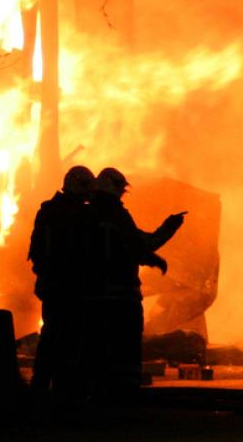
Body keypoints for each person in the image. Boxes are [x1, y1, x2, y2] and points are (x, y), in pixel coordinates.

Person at [87, 166, 184, 400]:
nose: (122, 195)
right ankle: (124, 396)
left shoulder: (83, 217)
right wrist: (169, 228)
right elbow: (141, 246)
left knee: (96, 347)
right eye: (121, 190)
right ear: (114, 190)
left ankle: (96, 393)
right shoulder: (118, 216)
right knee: (125, 348)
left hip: (90, 298)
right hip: (122, 298)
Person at [27, 166, 95, 396]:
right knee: (69, 338)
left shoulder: (48, 211)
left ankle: (42, 384)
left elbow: (36, 251)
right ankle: (62, 389)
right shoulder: (79, 215)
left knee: (53, 334)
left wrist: (44, 275)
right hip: (71, 287)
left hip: (54, 286)